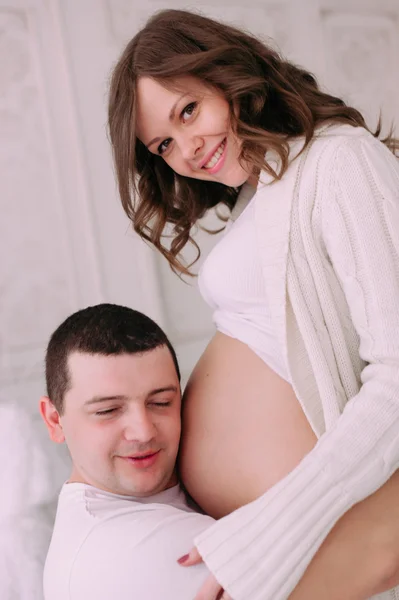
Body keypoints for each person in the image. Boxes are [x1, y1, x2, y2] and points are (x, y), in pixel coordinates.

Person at [107, 8, 399, 600]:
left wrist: (272, 529)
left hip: (317, 525)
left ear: (230, 74)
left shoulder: (340, 159)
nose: (186, 149)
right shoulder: (260, 194)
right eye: (163, 143)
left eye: (188, 110)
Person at [39, 303, 214, 600]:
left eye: (161, 403)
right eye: (108, 410)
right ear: (55, 421)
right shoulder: (131, 547)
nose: (143, 431)